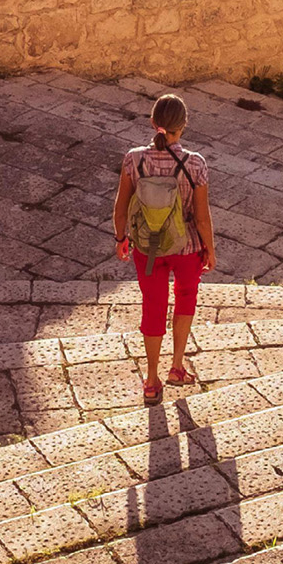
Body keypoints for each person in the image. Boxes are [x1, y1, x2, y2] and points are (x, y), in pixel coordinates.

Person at [112, 93, 216, 405]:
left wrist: (121, 239)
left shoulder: (134, 159)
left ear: (153, 122)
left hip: (147, 246)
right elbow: (201, 215)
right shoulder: (195, 164)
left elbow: (121, 205)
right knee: (185, 299)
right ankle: (177, 367)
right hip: (187, 248)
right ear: (182, 127)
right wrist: (210, 249)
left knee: (153, 306)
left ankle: (152, 380)